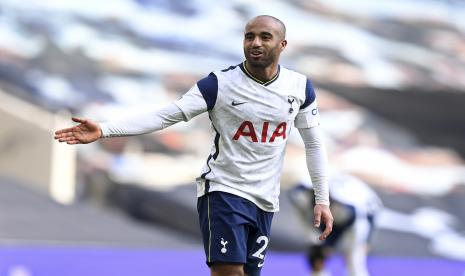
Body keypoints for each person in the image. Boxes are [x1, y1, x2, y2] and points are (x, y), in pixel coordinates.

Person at [55, 15, 333, 276]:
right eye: (249, 36)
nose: (256, 43)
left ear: (282, 44)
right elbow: (165, 116)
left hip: (265, 200)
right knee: (229, 272)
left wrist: (322, 199)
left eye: (265, 36)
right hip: (224, 191)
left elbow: (314, 145)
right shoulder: (219, 84)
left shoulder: (299, 87)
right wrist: (104, 129)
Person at [289, 174, 382, 276]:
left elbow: (354, 224)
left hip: (365, 213)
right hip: (341, 209)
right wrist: (315, 240)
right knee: (316, 257)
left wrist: (327, 245)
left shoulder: (345, 208)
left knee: (354, 260)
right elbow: (299, 205)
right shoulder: (301, 194)